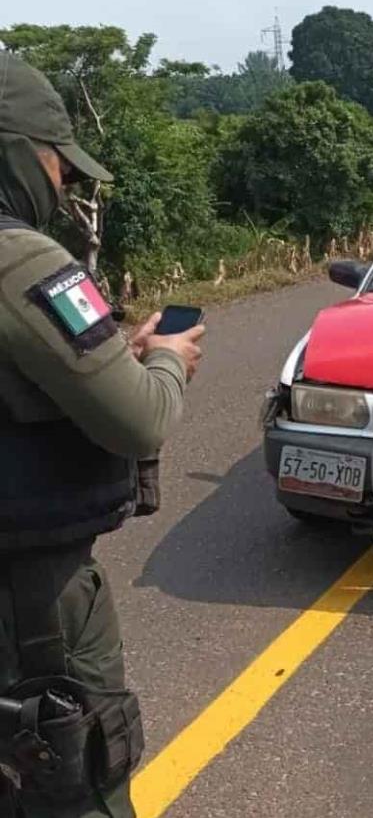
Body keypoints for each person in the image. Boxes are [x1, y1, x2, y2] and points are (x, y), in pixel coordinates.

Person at [0, 52, 205, 817]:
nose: (62, 186)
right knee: (73, 773)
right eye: (57, 164)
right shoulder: (22, 261)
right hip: (29, 597)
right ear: (17, 152)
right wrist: (165, 359)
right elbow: (139, 414)